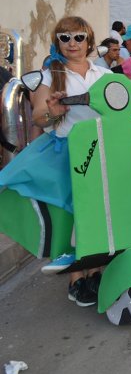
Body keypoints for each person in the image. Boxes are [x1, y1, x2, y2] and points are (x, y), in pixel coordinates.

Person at [0, 17, 112, 306]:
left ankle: (96, 270)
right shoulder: (48, 75)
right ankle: (77, 279)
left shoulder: (103, 74)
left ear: (89, 40)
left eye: (78, 37)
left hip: (102, 151)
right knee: (72, 214)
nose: (72, 43)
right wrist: (52, 111)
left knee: (98, 212)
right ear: (57, 41)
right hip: (68, 152)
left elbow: (123, 102)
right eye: (65, 37)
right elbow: (39, 116)